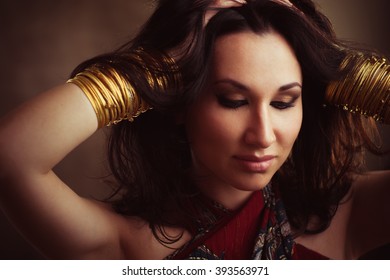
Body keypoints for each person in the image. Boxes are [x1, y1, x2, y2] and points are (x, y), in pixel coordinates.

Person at [0, 0, 389, 260]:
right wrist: (153, 73)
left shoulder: (345, 214)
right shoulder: (121, 242)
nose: (264, 134)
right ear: (179, 104)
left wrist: (331, 63)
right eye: (233, 101)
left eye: (284, 102)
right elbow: (11, 158)